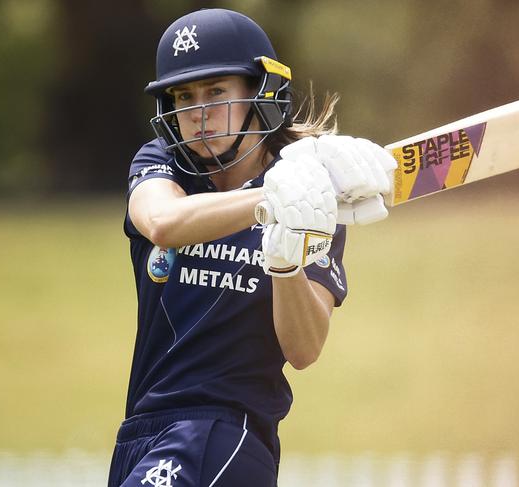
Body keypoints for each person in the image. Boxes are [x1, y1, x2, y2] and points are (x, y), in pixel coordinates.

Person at [108, 8, 395, 487]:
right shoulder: (163, 166)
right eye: (183, 96)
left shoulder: (313, 208)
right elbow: (161, 222)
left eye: (216, 92)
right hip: (142, 431)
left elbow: (303, 349)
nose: (197, 114)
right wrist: (275, 200)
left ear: (259, 93)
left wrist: (286, 265)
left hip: (223, 435)